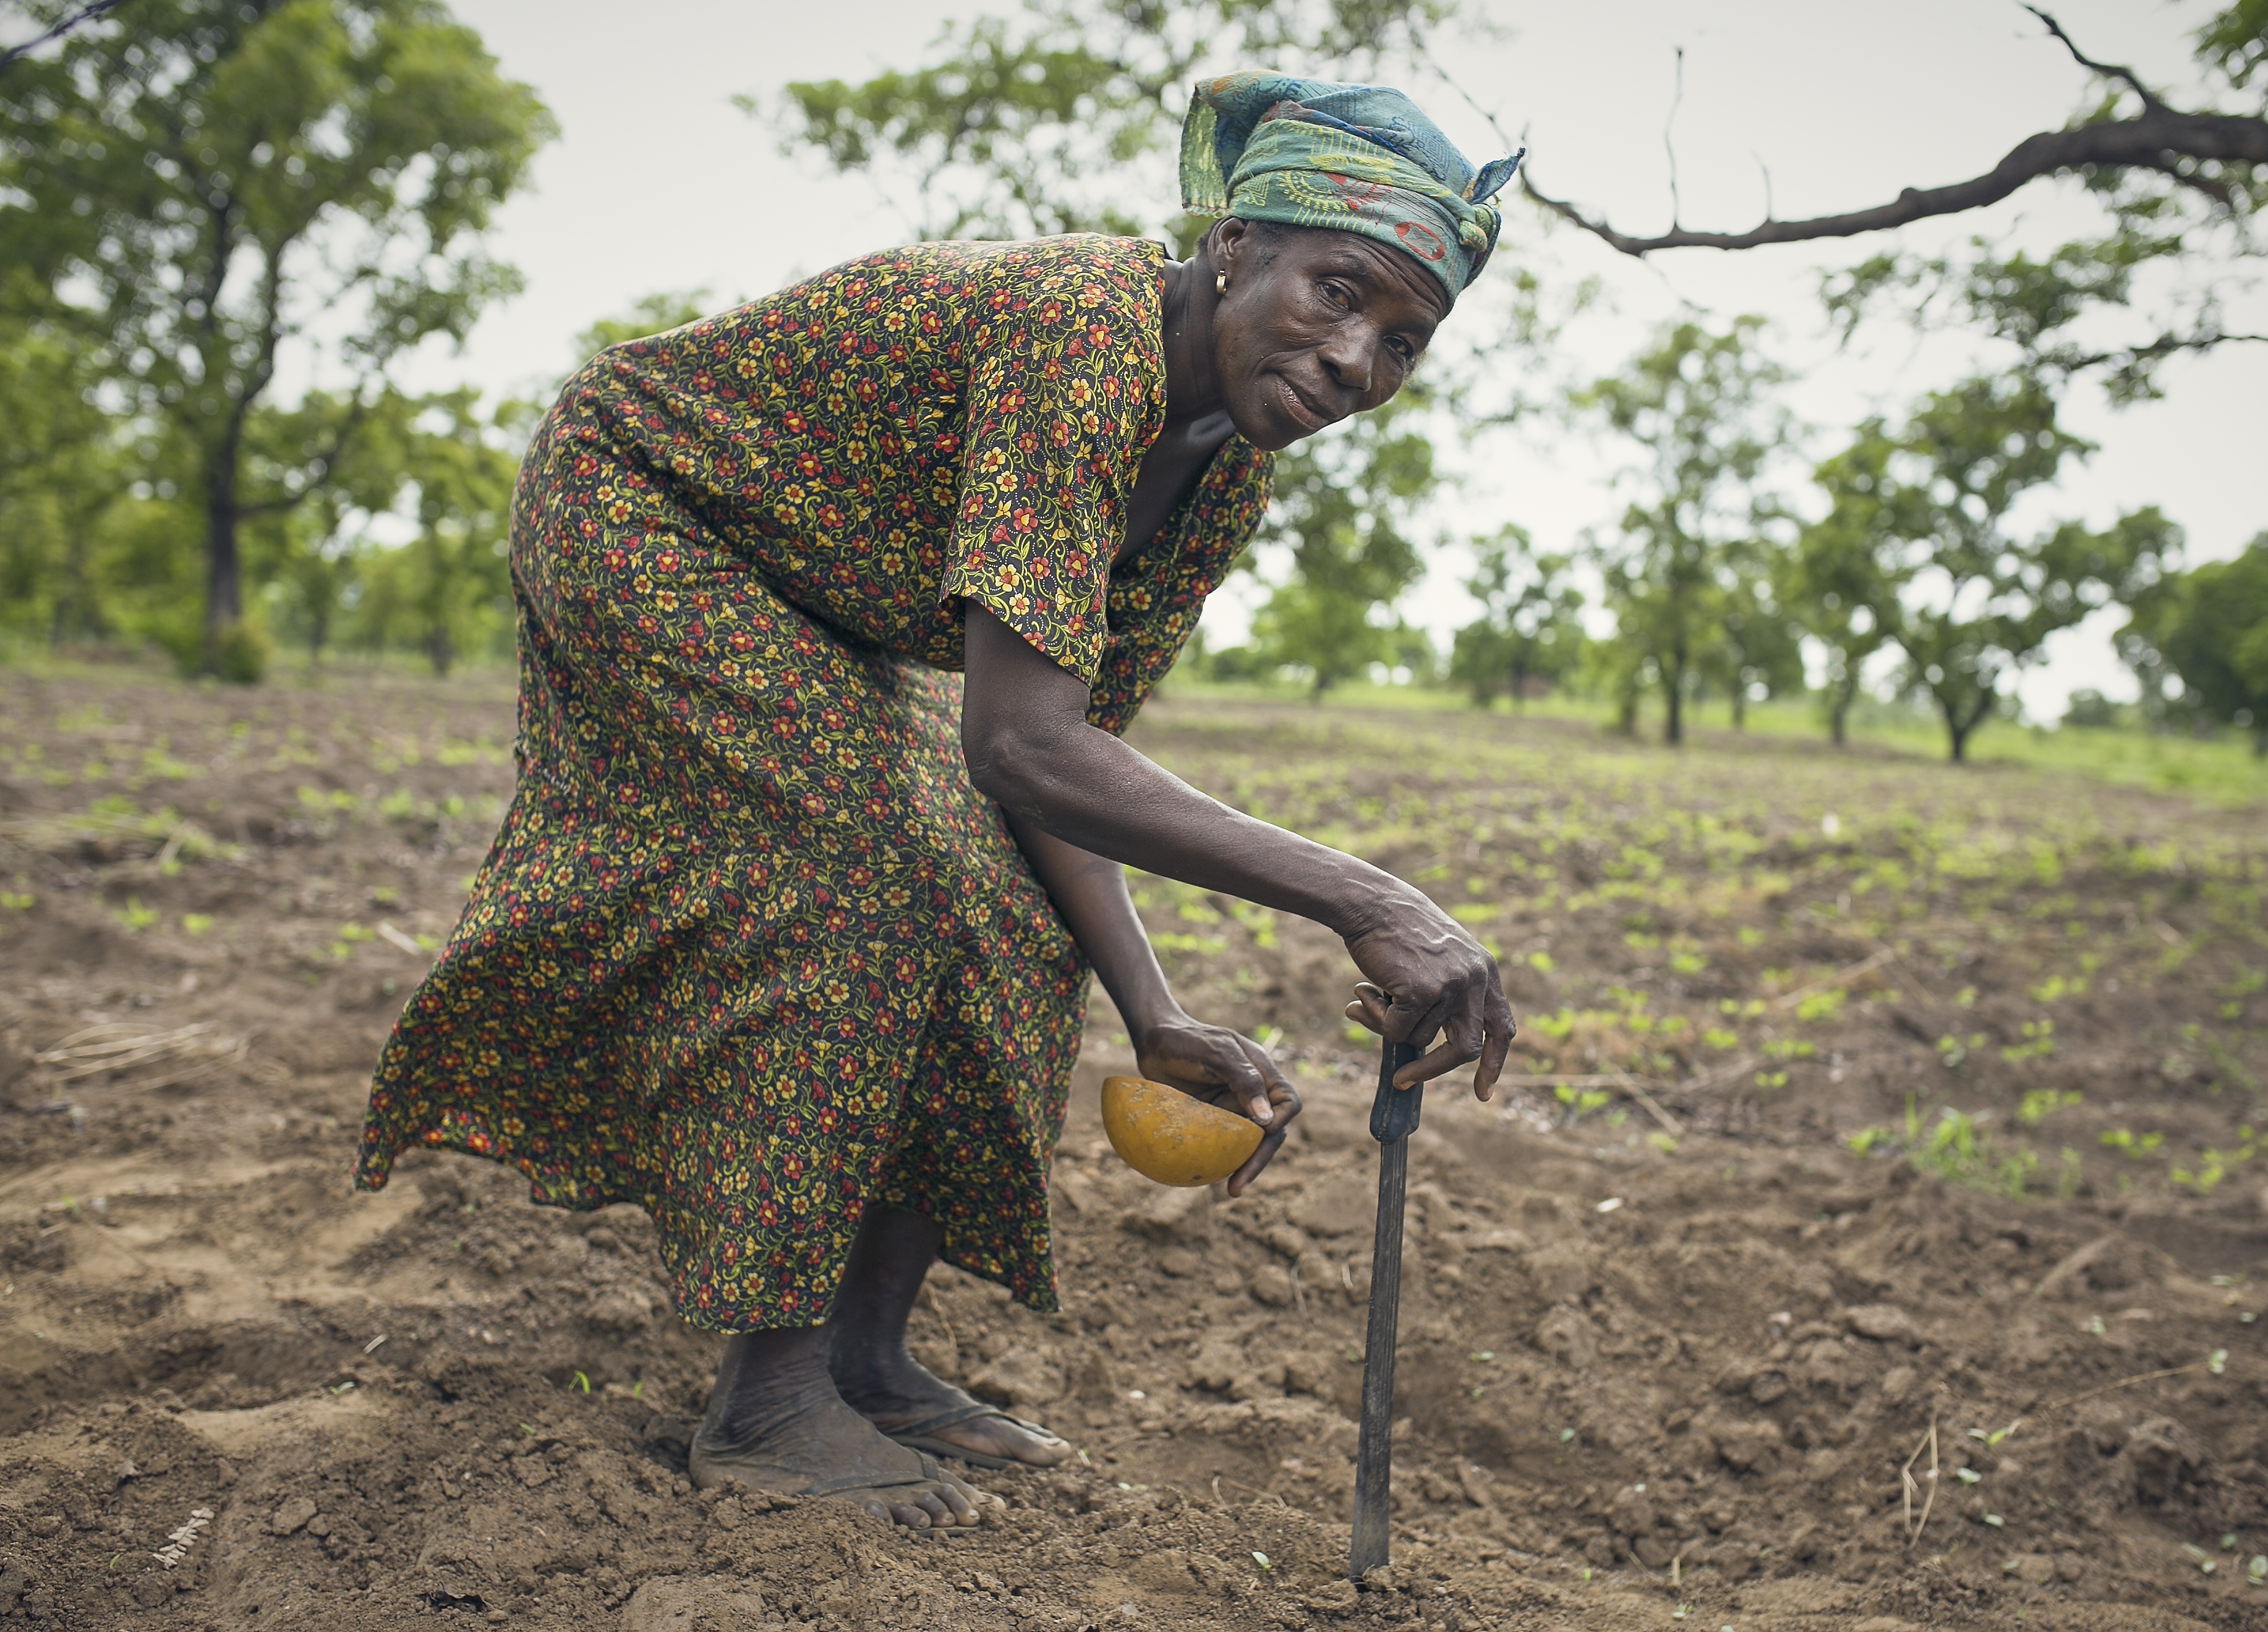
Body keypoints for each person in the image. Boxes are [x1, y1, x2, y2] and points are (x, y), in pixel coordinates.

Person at [351, 73, 1522, 1531]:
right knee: (863, 885)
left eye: (1403, 339)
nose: (1356, 358)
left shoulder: (1222, 471)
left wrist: (1148, 1008)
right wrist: (1370, 897)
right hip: (649, 506)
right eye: (1338, 291)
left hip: (829, 598)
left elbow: (1061, 755)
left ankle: (866, 1352)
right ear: (1236, 246)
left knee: (1014, 917)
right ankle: (769, 1402)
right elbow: (1025, 752)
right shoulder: (1079, 334)